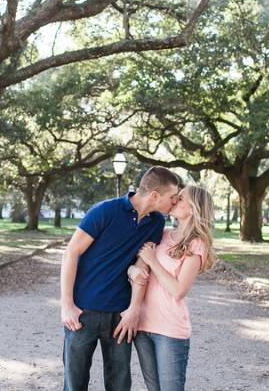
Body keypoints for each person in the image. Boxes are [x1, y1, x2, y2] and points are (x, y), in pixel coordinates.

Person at [60, 166, 180, 391]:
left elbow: (142, 264)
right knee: (74, 383)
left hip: (120, 316)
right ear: (155, 195)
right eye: (172, 197)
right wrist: (67, 305)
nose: (175, 202)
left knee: (120, 384)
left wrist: (134, 310)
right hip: (82, 311)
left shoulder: (156, 222)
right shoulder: (105, 211)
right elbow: (71, 252)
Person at [128, 184, 217, 391]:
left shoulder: (197, 244)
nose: (175, 200)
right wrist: (134, 270)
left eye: (181, 198)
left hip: (169, 330)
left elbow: (178, 290)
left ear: (194, 208)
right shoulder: (163, 233)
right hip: (142, 326)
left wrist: (152, 261)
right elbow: (139, 264)